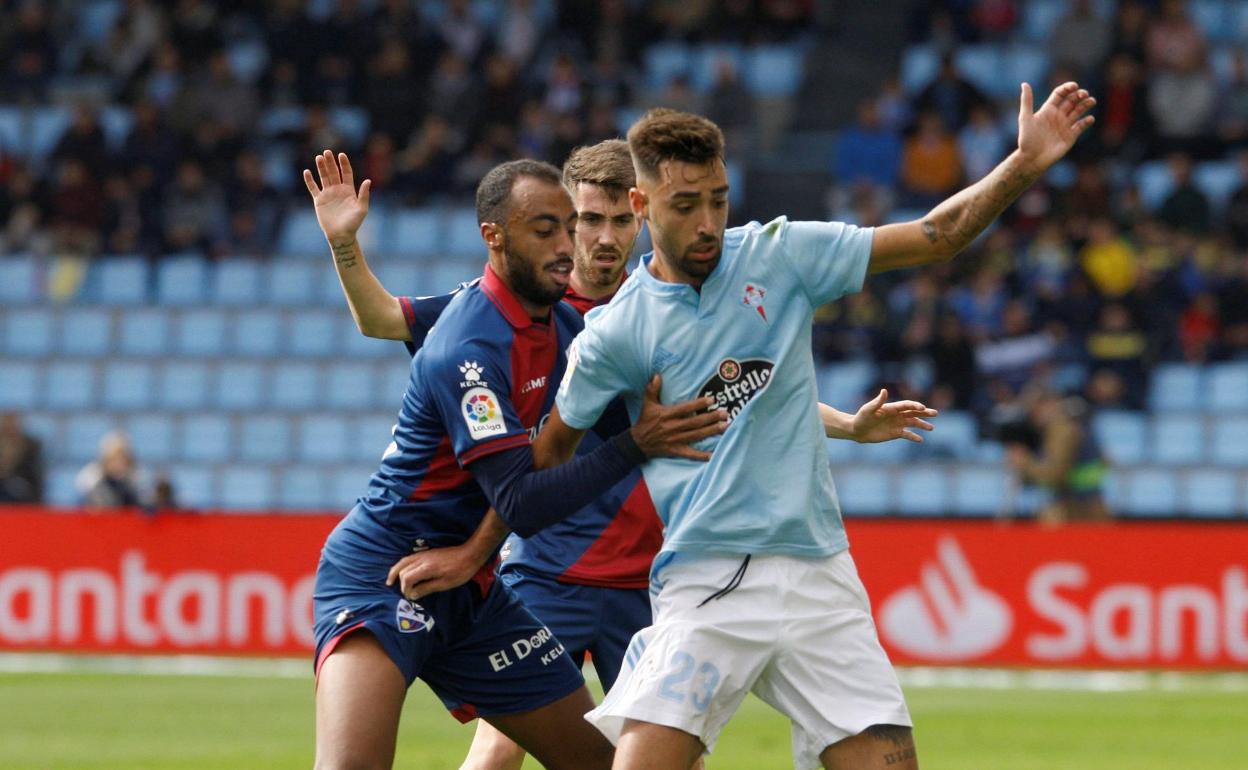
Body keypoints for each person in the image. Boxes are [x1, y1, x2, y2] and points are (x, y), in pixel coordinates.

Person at [325, 139, 938, 770]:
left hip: (643, 577)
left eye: (619, 221)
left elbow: (733, 402)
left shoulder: (650, 309)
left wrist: (847, 426)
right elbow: (381, 318)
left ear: (641, 217)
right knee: (499, 749)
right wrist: (345, 244)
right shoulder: (510, 308)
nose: (602, 237)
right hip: (547, 568)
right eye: (588, 220)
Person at [532, 83, 1092, 770]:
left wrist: (1024, 164)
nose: (707, 223)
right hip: (708, 580)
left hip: (819, 572)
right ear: (642, 206)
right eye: (685, 205)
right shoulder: (614, 333)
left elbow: (935, 236)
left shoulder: (779, 254)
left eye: (718, 200)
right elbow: (548, 459)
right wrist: (629, 444)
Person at [302, 151, 729, 770]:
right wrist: (637, 445)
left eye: (568, 227)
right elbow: (524, 499)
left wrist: (830, 424)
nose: (567, 245)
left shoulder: (568, 329)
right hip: (385, 573)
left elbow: (669, 412)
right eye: (548, 229)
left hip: (475, 591)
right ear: (495, 237)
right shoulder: (466, 346)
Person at [1004, 388, 1110, 524]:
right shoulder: (1076, 423)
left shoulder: (1062, 430)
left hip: (1077, 511)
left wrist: (1024, 463)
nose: (1032, 417)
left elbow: (1055, 474)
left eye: (1034, 410)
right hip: (1087, 505)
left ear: (1049, 404)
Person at [75, 430, 144, 509]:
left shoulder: (137, 480)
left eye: (123, 458)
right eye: (114, 458)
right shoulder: (92, 479)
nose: (119, 463)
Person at [0, 412, 44, 503]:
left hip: (20, 487)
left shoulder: (31, 445)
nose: (10, 426)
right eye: (7, 422)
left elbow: (32, 473)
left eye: (12, 422)